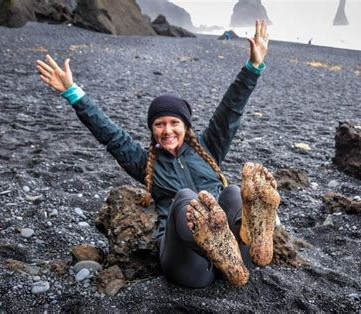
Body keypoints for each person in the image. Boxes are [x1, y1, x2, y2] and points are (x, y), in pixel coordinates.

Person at [36, 19, 280, 288]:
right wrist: (72, 93)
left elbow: (230, 109)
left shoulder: (210, 146)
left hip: (238, 258)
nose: (167, 130)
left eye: (174, 123)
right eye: (159, 124)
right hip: (189, 267)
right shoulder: (143, 163)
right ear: (152, 130)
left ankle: (250, 235)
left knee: (233, 192)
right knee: (187, 198)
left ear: (186, 127)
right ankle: (214, 242)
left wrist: (253, 67)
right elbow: (109, 133)